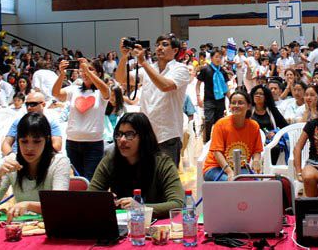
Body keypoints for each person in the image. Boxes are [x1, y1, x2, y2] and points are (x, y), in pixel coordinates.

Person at [89, 113, 185, 218]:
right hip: (121, 226)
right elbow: (89, 197)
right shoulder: (110, 160)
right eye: (119, 134)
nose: (122, 140)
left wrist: (140, 207)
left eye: (129, 134)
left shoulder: (163, 163)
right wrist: (102, 200)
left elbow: (178, 204)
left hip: (156, 227)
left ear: (144, 137)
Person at [116, 35, 190, 166]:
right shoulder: (148, 69)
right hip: (145, 135)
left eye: (165, 44)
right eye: (157, 45)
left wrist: (143, 62)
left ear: (175, 50)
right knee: (144, 180)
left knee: (166, 182)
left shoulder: (180, 69)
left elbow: (165, 86)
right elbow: (122, 78)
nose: (160, 48)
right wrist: (124, 57)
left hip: (168, 135)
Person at [0, 113, 70, 221]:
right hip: (20, 228)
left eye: (36, 141)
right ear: (18, 141)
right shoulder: (11, 161)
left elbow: (58, 206)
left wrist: (28, 205)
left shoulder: (59, 162)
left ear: (47, 140)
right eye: (24, 141)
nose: (29, 148)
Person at [52, 57, 110, 179]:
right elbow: (56, 93)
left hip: (93, 144)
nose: (85, 72)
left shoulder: (101, 92)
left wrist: (87, 71)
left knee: (90, 180)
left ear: (99, 73)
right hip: (72, 142)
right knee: (78, 179)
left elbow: (106, 91)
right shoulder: (74, 89)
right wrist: (62, 74)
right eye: (82, 70)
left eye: (90, 69)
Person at [202, 89, 263, 181]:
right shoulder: (221, 124)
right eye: (233, 103)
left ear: (248, 106)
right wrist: (229, 172)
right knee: (235, 183)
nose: (236, 106)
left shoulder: (254, 126)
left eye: (240, 103)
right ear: (229, 106)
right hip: (215, 168)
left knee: (255, 184)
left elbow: (257, 150)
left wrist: (256, 161)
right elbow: (217, 152)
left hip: (241, 169)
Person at [195, 48, 229, 142]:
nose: (218, 59)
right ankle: (206, 141)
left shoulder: (222, 71)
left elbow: (226, 87)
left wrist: (231, 100)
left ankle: (218, 142)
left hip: (220, 100)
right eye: (216, 57)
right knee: (208, 121)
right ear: (212, 58)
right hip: (209, 100)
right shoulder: (206, 69)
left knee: (219, 122)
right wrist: (198, 97)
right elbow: (198, 85)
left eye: (220, 57)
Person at [249, 84, 288, 163]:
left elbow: (285, 126)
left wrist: (275, 132)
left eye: (261, 94)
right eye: (256, 93)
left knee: (275, 148)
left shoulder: (272, 110)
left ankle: (269, 172)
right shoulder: (248, 111)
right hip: (252, 140)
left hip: (269, 141)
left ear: (266, 97)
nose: (257, 95)